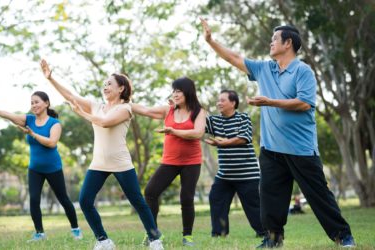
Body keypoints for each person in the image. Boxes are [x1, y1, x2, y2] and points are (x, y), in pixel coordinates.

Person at [200, 18, 356, 248]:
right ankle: (273, 239)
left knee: (318, 196)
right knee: (270, 197)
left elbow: (304, 103)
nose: (271, 43)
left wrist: (269, 101)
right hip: (271, 149)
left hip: (301, 149)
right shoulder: (265, 69)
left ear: (288, 43)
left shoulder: (303, 71)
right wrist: (211, 41)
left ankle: (343, 236)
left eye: (275, 39)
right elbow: (233, 58)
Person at [40, 59, 163, 250]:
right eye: (104, 84)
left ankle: (155, 239)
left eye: (109, 84)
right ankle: (104, 241)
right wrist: (51, 79)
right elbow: (71, 96)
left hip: (121, 162)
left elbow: (105, 122)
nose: (105, 87)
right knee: (85, 201)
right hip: (98, 163)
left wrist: (81, 113)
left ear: (121, 88)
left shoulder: (125, 108)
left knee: (138, 201)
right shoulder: (96, 106)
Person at [0, 90, 82, 242]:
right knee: (34, 199)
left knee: (63, 199)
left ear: (46, 103)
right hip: (35, 168)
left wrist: (33, 134)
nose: (33, 105)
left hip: (53, 168)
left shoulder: (54, 123)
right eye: (31, 103)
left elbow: (51, 143)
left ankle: (76, 229)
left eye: (36, 102)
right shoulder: (28, 119)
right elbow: (10, 115)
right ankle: (40, 233)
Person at [131, 77, 206, 247]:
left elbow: (198, 133)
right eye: (173, 91)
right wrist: (125, 101)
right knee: (150, 192)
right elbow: (145, 110)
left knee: (186, 198)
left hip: (191, 162)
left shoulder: (199, 112)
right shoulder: (168, 110)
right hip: (170, 161)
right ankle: (153, 233)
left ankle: (187, 236)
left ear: (188, 91)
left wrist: (173, 131)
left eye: (178, 90)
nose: (175, 94)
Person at [205, 90, 265, 238]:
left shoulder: (243, 118)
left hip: (247, 174)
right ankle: (219, 233)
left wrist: (224, 143)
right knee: (216, 198)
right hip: (225, 175)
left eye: (222, 100)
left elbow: (244, 137)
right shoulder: (214, 121)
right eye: (218, 100)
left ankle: (264, 232)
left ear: (233, 103)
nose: (218, 103)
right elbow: (197, 126)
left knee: (253, 206)